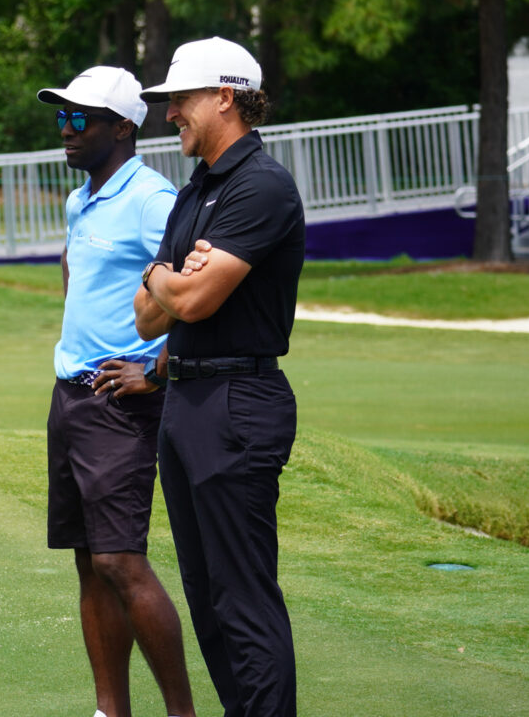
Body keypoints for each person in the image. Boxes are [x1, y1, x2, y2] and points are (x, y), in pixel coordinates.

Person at [133, 37, 305, 717]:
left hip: (238, 401)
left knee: (242, 595)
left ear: (225, 97)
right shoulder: (193, 192)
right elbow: (149, 317)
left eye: (179, 99)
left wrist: (169, 280)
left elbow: (194, 303)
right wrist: (165, 274)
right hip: (187, 398)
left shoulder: (261, 187)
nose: (170, 113)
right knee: (205, 596)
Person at [38, 66, 196, 717]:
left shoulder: (154, 199)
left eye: (82, 120)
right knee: (87, 561)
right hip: (70, 395)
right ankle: (111, 711)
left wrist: (156, 369)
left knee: (120, 562)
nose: (67, 132)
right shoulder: (82, 199)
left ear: (123, 128)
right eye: (63, 118)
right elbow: (78, 274)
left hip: (121, 404)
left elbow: (199, 292)